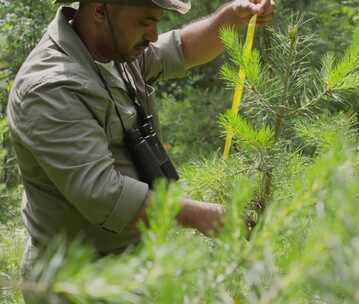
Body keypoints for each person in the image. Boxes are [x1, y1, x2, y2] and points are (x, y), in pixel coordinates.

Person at [7, 0, 275, 301]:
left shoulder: (115, 48)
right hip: (75, 282)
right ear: (100, 10)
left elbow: (182, 48)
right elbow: (102, 193)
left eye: (157, 22)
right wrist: (196, 214)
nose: (153, 35)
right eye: (145, 21)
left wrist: (229, 18)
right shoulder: (51, 88)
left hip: (128, 264)